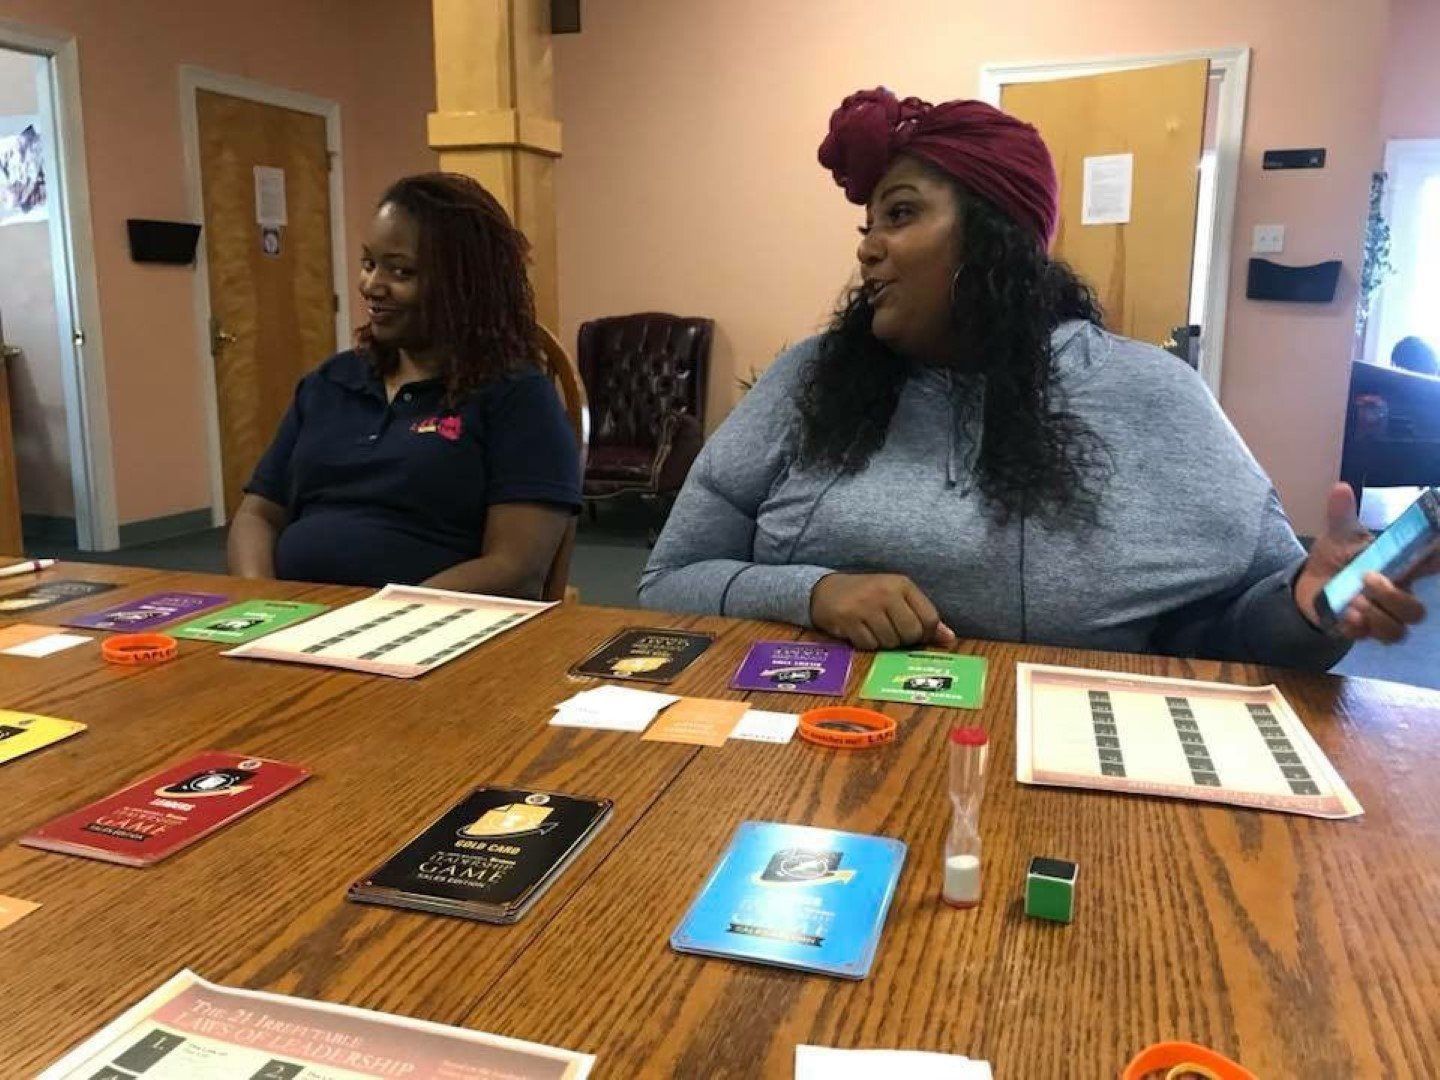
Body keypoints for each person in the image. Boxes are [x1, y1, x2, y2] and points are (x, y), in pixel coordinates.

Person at [639, 89, 1435, 669]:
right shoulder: (806, 380)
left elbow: (1235, 636)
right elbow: (668, 583)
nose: (868, 249)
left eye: (902, 214)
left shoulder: (1153, 394)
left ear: (997, 239)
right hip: (804, 745)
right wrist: (815, 594)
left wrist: (1307, 605)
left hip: (1069, 772)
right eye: (869, 223)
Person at [228, 173, 581, 597]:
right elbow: (259, 515)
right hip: (294, 622)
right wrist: (262, 599)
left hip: (427, 631)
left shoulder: (517, 397)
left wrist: (382, 617)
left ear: (464, 285)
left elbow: (516, 567)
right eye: (368, 263)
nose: (372, 285)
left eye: (401, 271)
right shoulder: (329, 383)